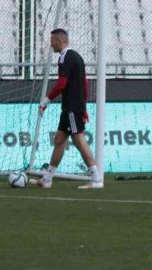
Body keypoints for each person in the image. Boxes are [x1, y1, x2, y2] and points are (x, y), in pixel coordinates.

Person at [31, 28, 103, 189]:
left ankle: (96, 179)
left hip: (71, 107)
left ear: (59, 40)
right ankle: (47, 179)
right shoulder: (76, 57)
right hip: (71, 107)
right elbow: (84, 83)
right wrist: (83, 108)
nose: (51, 45)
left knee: (78, 140)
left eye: (52, 42)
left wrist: (46, 101)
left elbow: (62, 84)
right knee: (59, 140)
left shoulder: (65, 58)